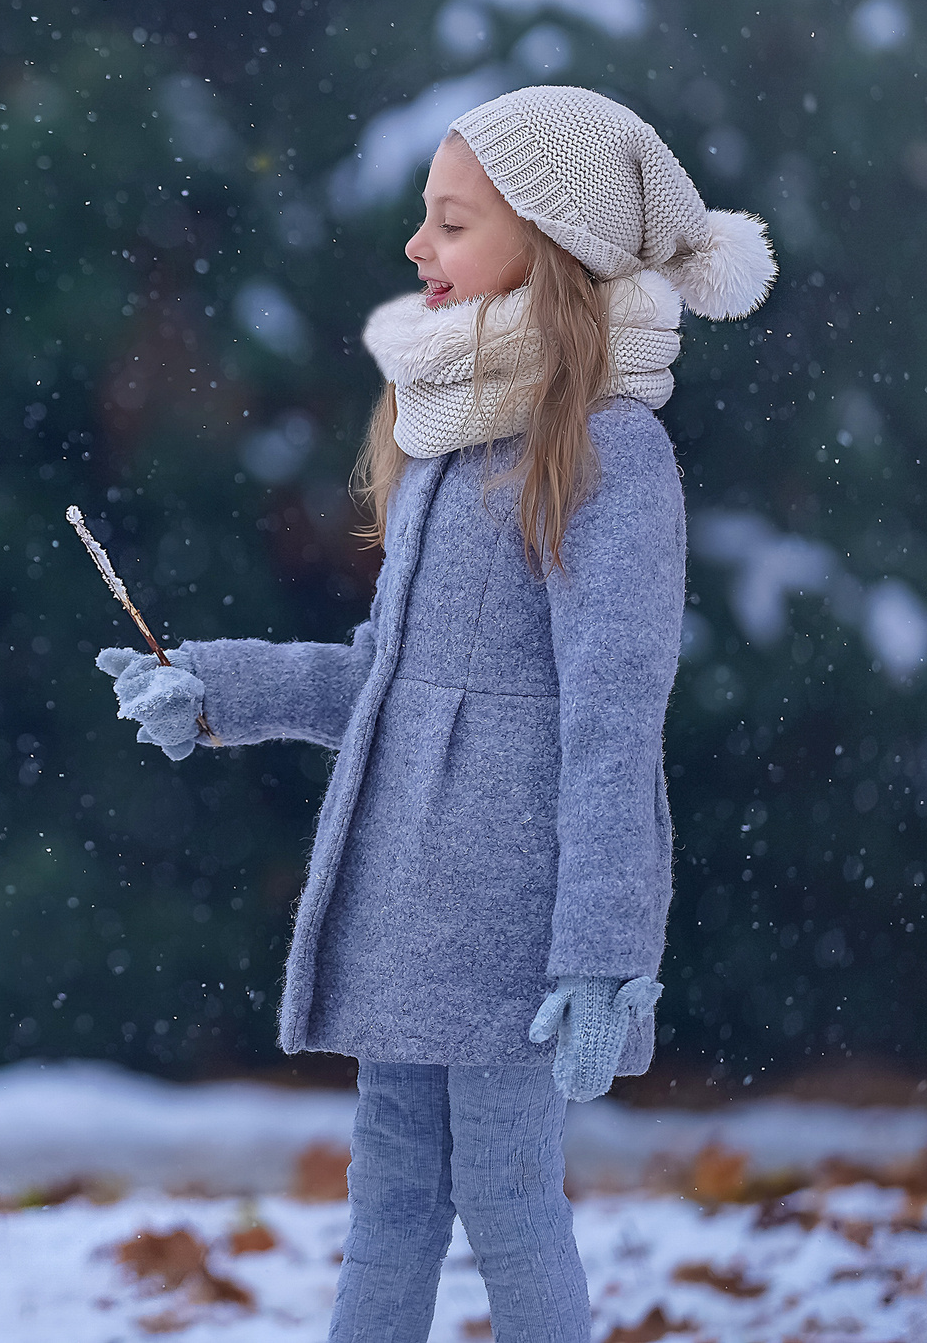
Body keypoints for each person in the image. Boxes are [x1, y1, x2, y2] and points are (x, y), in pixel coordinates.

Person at [96, 86, 776, 1342]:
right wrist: (217, 689)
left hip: (517, 923)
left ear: (551, 242)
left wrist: (604, 953)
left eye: (451, 222)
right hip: (411, 902)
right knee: (393, 1193)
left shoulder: (609, 450)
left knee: (509, 1194)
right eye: (424, 218)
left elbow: (613, 720)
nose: (418, 247)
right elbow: (389, 680)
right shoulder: (452, 429)